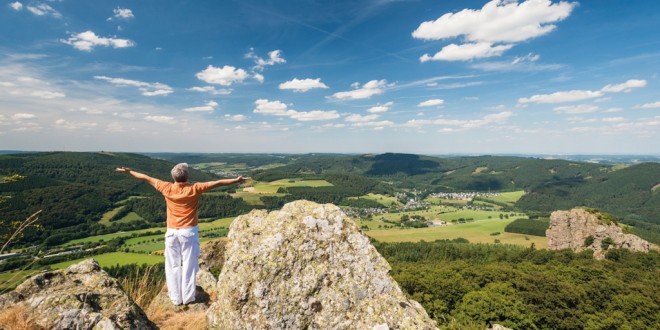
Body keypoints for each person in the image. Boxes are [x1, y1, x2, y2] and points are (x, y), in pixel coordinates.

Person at [115, 163, 249, 305]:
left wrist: (129, 172)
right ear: (187, 176)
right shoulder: (194, 188)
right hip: (188, 232)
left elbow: (146, 178)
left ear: (173, 177)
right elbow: (217, 183)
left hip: (171, 233)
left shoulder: (166, 187)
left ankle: (175, 298)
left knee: (172, 265)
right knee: (189, 265)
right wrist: (236, 180)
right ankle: (188, 297)